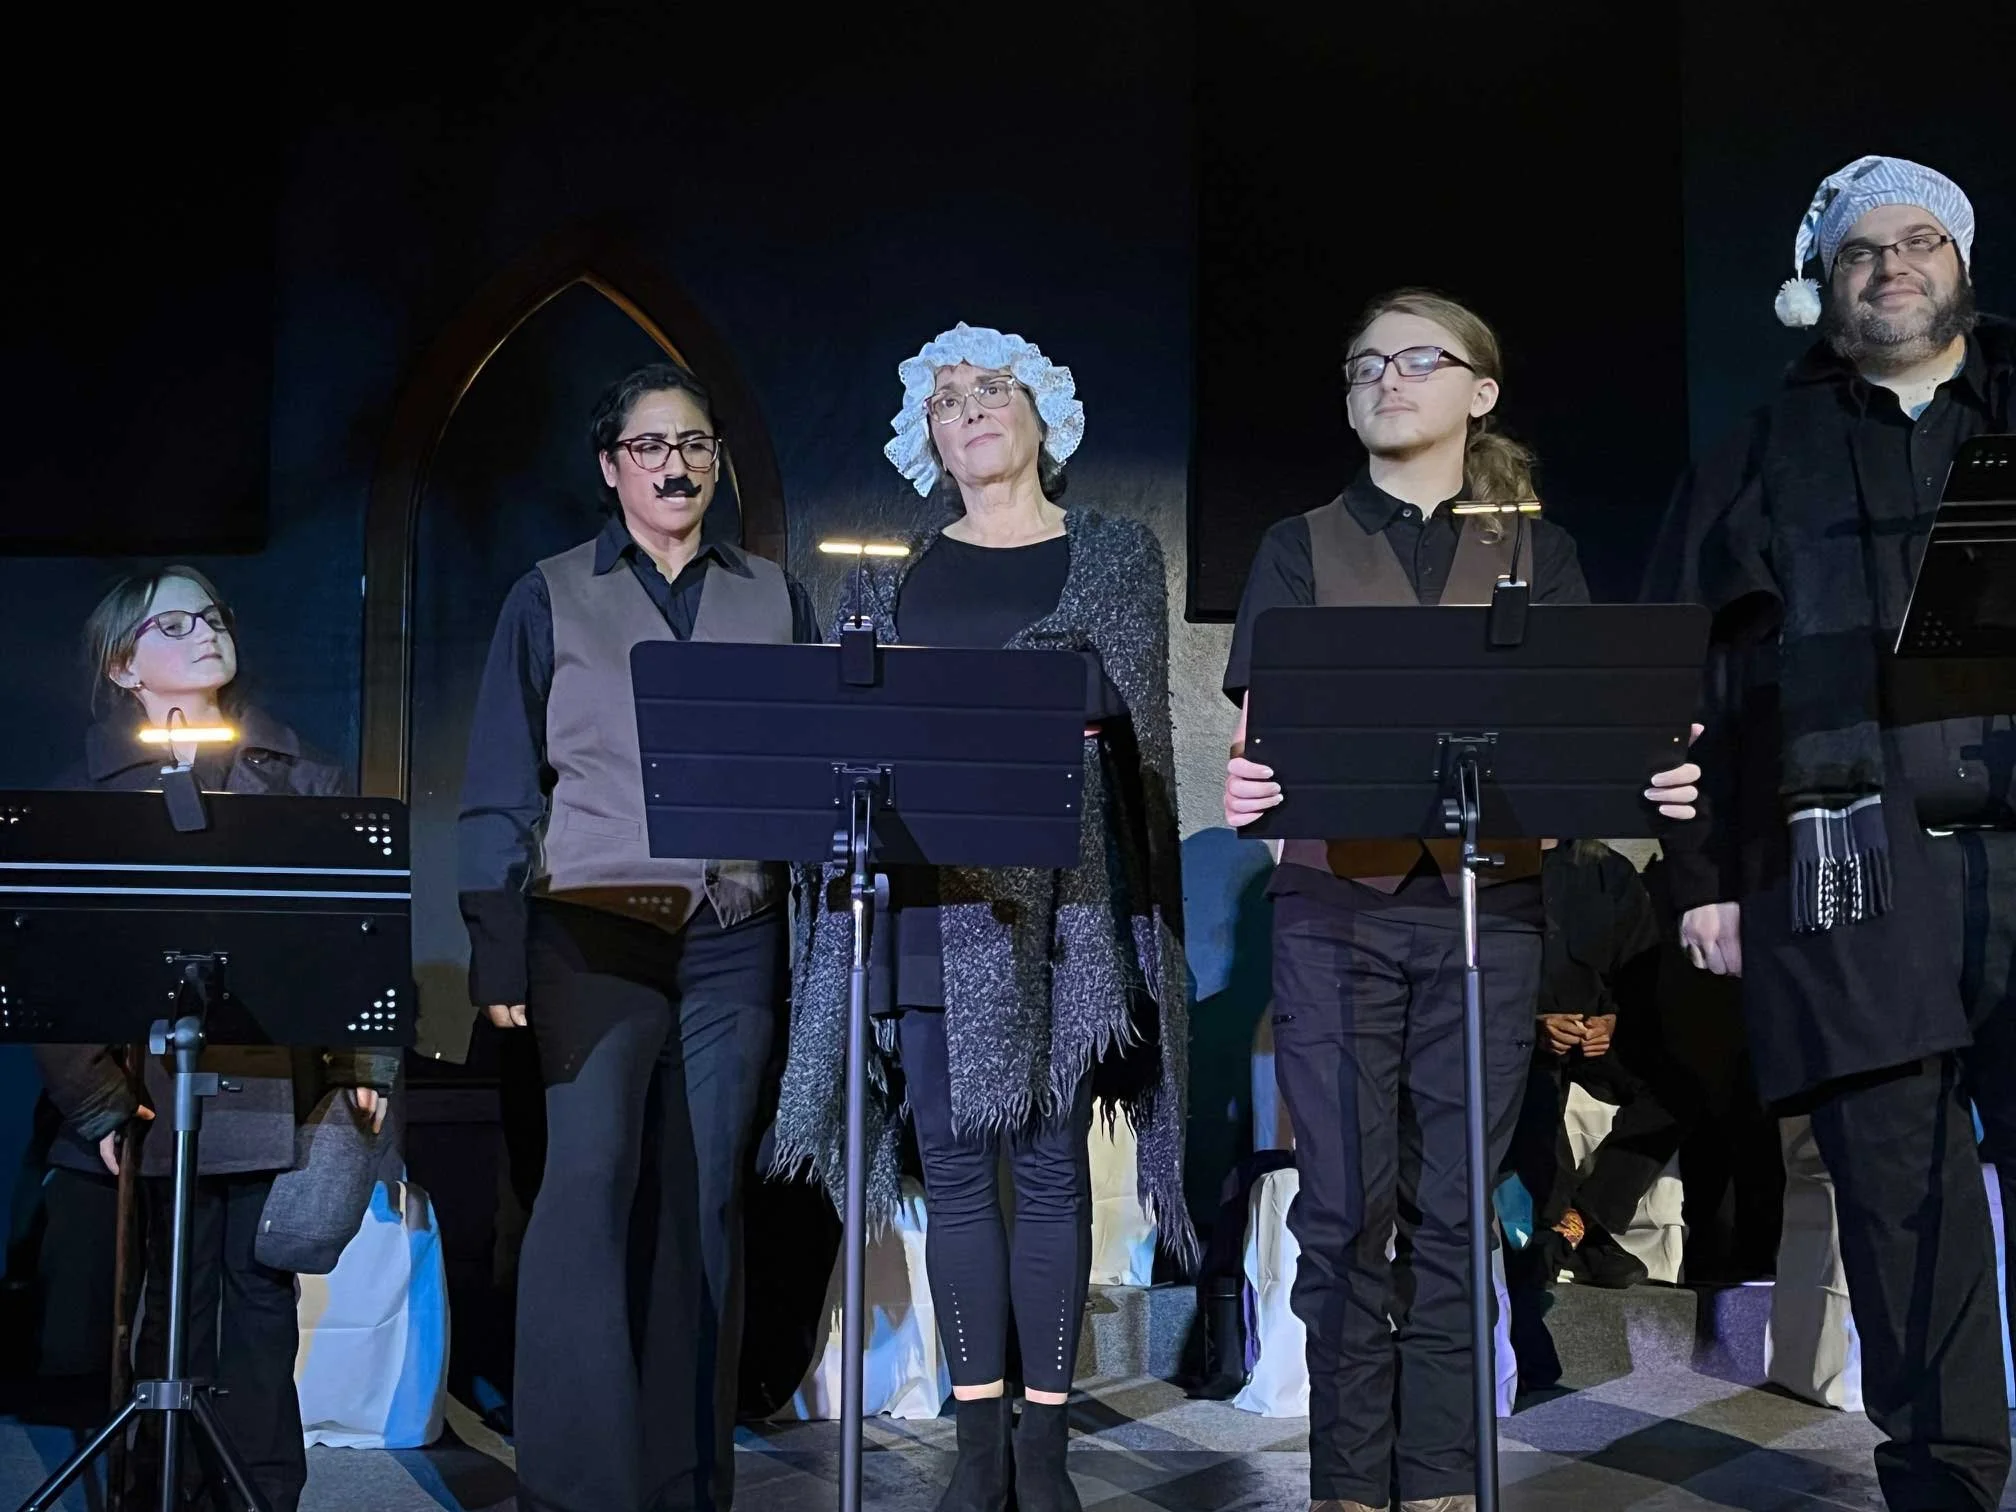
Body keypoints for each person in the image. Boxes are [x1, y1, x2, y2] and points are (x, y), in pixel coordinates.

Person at [1220, 290, 1700, 1512]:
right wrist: (1250, 777)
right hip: (1335, 907)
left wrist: (1653, 760)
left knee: (1449, 1211)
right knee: (1342, 1212)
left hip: (1489, 906)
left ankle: (1438, 1481)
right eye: (1365, 362)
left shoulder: (1537, 548)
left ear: (1479, 391)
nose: (1388, 377)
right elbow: (1265, 718)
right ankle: (1345, 1481)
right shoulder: (1299, 540)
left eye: (1417, 359)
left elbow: (1590, 725)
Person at [772, 322, 1191, 1512]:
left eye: (993, 390)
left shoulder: (1113, 554)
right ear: (927, 437)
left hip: (1067, 911)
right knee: (954, 1184)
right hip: (934, 908)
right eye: (948, 399)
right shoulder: (886, 580)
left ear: (1041, 413)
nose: (971, 411)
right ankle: (977, 1453)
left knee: (1052, 1177)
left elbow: (1136, 742)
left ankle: (1046, 1452)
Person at [1654, 155, 2016, 1511]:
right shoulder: (1755, 456)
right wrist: (1702, 879)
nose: (1893, 267)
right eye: (1862, 251)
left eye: (1922, 240)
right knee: (1901, 1211)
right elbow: (1679, 683)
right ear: (1824, 284)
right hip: (1853, 869)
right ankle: (1948, 1485)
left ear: (1964, 263)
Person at [458, 360, 820, 1512]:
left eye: (698, 445)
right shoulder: (550, 593)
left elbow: (814, 765)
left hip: (733, 936)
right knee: (590, 1185)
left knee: (706, 1196)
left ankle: (684, 1480)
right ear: (613, 465)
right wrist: (495, 940)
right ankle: (574, 1486)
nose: (678, 464)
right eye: (653, 445)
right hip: (590, 930)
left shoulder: (775, 595)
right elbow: (501, 783)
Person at [36, 565, 396, 1512]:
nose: (206, 632)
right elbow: (47, 965)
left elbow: (358, 931)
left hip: (271, 1081)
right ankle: (162, 1488)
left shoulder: (301, 775)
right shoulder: (83, 796)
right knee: (165, 1297)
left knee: (260, 1292)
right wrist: (100, 1100)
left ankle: (258, 1493)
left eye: (214, 615)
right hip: (153, 1089)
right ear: (123, 665)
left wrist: (360, 1059)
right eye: (176, 621)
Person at [1510, 839, 1672, 1292]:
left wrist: (1613, 1022)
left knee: (1677, 1084)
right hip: (1515, 1036)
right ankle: (1559, 1238)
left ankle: (1583, 1220)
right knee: (1530, 1090)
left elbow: (1642, 981)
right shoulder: (1491, 865)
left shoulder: (1606, 871)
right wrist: (1532, 1023)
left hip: (1593, 1039)